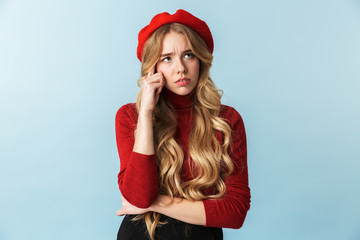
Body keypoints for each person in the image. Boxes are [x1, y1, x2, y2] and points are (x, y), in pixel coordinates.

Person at [115, 9, 251, 240]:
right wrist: (146, 114)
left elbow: (235, 213)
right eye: (166, 58)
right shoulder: (130, 116)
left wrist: (157, 203)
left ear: (200, 60)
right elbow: (139, 196)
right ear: (153, 68)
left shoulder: (227, 120)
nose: (180, 68)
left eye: (188, 55)